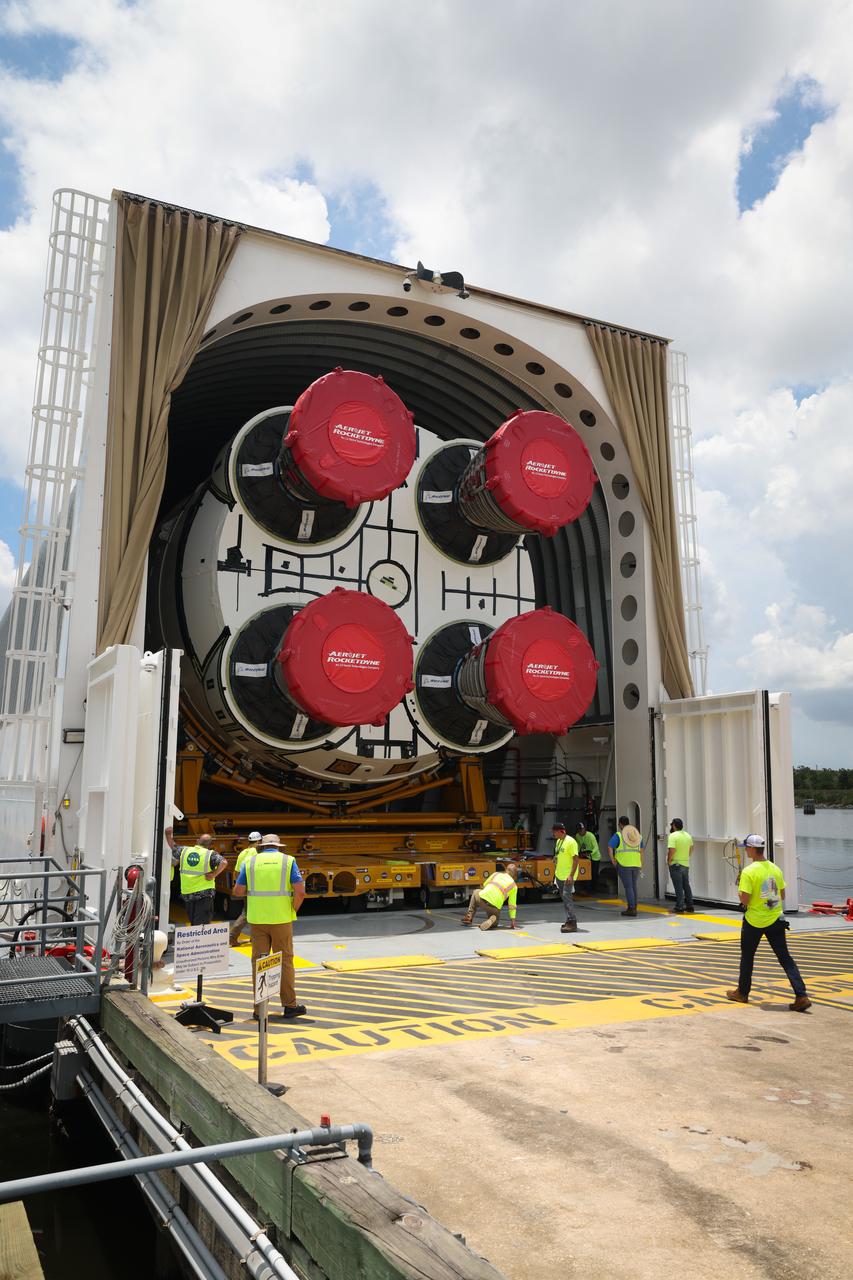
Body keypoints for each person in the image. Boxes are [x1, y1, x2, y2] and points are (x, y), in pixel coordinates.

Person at [727, 835, 811, 1012]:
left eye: (746, 847)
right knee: (785, 958)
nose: (745, 850)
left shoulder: (749, 872)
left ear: (751, 849)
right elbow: (781, 896)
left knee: (748, 957)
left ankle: (742, 993)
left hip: (754, 921)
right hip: (774, 920)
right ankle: (801, 995)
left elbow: (746, 900)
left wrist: (742, 896)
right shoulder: (775, 869)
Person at [231, 833, 307, 1020]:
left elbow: (237, 891)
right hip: (281, 919)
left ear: (261, 846)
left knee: (259, 963)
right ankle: (290, 1006)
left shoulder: (250, 862)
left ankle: (259, 1010)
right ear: (279, 846)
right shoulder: (288, 861)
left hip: (257, 921)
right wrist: (292, 909)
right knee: (286, 962)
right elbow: (301, 892)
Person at [165, 827, 229, 926]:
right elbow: (224, 862)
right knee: (201, 925)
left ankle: (195, 940)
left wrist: (168, 835)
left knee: (194, 922)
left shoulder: (185, 851)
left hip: (188, 893)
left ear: (197, 841)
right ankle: (200, 940)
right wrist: (214, 874)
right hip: (204, 893)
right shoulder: (210, 854)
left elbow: (173, 846)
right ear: (210, 845)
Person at [461, 863, 519, 931]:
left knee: (475, 892)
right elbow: (512, 905)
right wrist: (513, 922)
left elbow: (485, 884)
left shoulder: (496, 874)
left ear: (506, 870)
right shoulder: (514, 886)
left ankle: (469, 917)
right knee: (495, 922)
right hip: (494, 908)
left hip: (482, 900)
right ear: (515, 875)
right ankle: (492, 920)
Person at [228, 830, 262, 946]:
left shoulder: (242, 853)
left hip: (245, 886)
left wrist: (239, 885)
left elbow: (236, 872)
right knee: (247, 913)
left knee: (253, 912)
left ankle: (255, 937)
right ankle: (232, 937)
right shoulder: (257, 853)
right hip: (255, 887)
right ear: (258, 841)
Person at [609, 819, 643, 917]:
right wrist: (641, 863)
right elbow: (642, 851)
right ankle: (634, 907)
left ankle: (631, 909)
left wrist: (612, 859)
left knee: (628, 887)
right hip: (636, 864)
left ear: (620, 824)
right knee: (633, 886)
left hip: (624, 864)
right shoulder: (638, 836)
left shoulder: (618, 835)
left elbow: (610, 846)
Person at [552, 822, 580, 934]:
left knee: (567, 897)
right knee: (564, 898)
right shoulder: (559, 841)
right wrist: (555, 859)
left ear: (561, 831)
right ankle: (569, 920)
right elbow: (559, 854)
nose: (553, 834)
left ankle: (572, 922)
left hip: (568, 876)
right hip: (560, 874)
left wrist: (571, 875)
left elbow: (576, 859)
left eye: (554, 832)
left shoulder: (571, 842)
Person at [667, 818, 694, 913]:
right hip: (685, 863)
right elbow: (691, 849)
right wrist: (685, 857)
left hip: (675, 864)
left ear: (674, 825)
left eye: (672, 825)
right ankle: (690, 905)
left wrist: (668, 861)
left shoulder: (673, 836)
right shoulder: (688, 835)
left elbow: (672, 850)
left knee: (678, 886)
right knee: (686, 885)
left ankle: (680, 906)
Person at [576, 822, 601, 892]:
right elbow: (578, 845)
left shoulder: (590, 836)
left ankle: (594, 889)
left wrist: (590, 853)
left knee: (594, 874)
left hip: (595, 857)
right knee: (586, 872)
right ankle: (588, 889)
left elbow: (596, 847)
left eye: (581, 830)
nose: (580, 832)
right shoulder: (577, 836)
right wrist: (577, 853)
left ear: (584, 829)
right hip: (586, 856)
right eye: (579, 830)